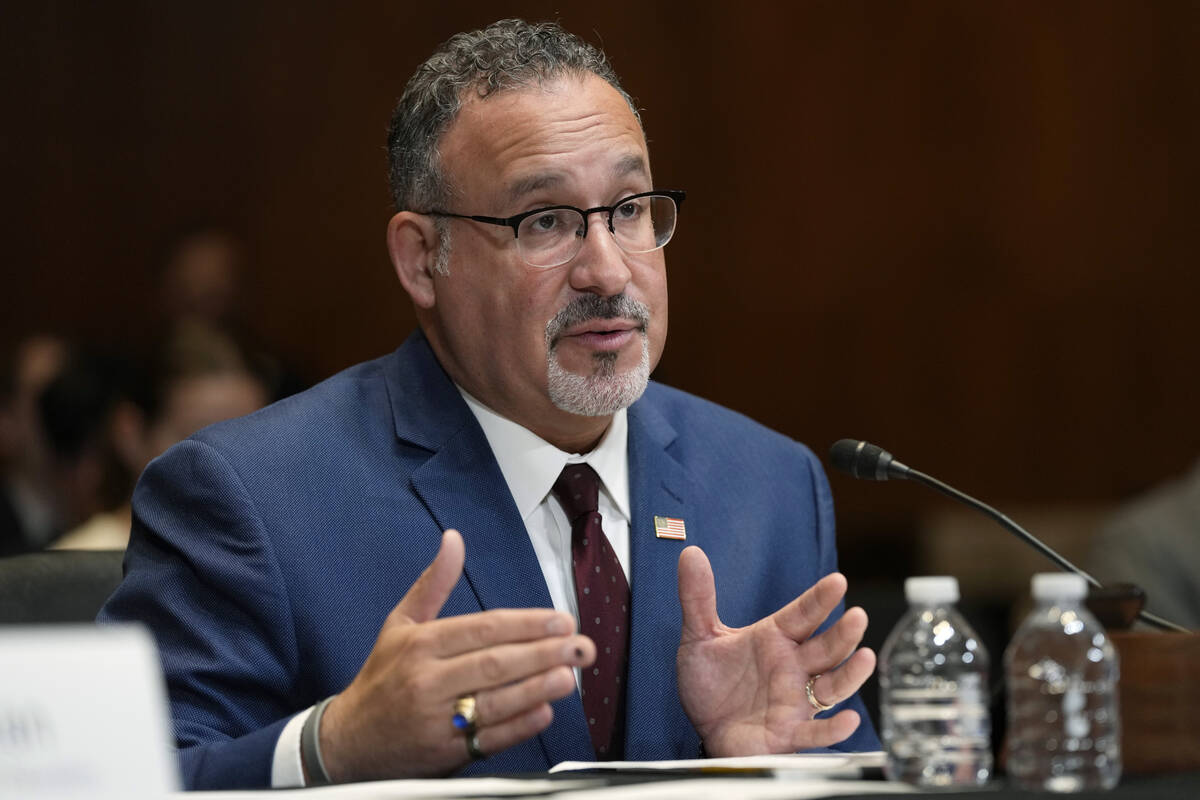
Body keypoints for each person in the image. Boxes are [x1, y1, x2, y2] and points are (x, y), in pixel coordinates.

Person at [99, 19, 879, 790]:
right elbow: (114, 782)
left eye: (630, 209)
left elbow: (843, 759)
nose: (608, 270)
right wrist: (330, 747)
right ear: (421, 259)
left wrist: (756, 766)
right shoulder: (252, 496)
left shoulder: (770, 487)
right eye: (545, 221)